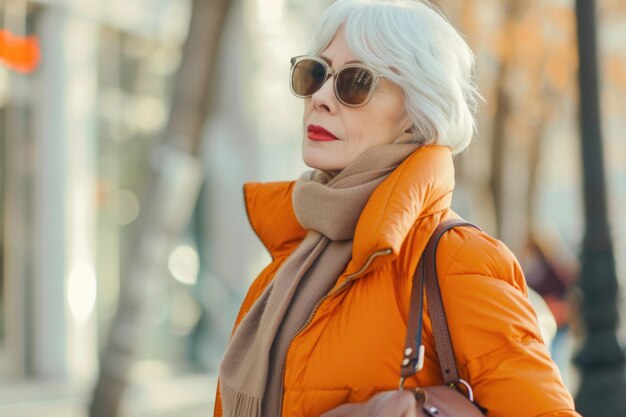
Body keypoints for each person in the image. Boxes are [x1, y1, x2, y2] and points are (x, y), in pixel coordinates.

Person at [214, 0, 580, 416]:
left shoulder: (458, 259)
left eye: (354, 83)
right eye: (315, 73)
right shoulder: (286, 266)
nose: (319, 97)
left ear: (415, 112)